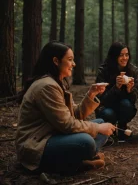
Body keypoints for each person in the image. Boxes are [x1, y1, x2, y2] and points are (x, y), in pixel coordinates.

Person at [16, 41, 116, 174]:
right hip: (37, 144)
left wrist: (91, 94)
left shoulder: (57, 83)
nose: (73, 64)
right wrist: (97, 128)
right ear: (56, 61)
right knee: (87, 141)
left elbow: (74, 115)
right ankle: (71, 164)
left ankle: (78, 160)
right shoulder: (47, 86)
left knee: (102, 123)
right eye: (70, 60)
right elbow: (67, 124)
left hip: (54, 134)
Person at [95, 41, 138, 141]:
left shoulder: (133, 70)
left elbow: (134, 99)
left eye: (127, 55)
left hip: (123, 106)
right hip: (106, 107)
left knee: (127, 105)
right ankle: (110, 129)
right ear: (114, 56)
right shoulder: (104, 71)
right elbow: (101, 99)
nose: (125, 58)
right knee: (108, 113)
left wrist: (129, 89)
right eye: (121, 55)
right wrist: (116, 87)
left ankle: (122, 127)